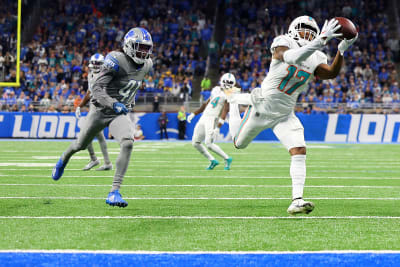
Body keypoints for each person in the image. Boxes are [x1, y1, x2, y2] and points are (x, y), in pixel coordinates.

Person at [226, 17, 357, 214]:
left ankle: (297, 200)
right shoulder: (283, 42)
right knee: (238, 143)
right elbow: (292, 58)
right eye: (304, 29)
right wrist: (320, 39)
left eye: (312, 30)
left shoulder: (317, 55)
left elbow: (330, 73)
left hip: (285, 114)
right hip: (262, 108)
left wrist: (342, 50)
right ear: (293, 30)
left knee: (299, 150)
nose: (308, 33)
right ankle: (235, 101)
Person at [52, 27, 154, 208]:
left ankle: (114, 192)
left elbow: (132, 85)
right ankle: (63, 160)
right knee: (80, 145)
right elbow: (96, 90)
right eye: (140, 47)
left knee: (128, 142)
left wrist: (127, 101)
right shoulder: (116, 59)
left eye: (147, 48)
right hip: (99, 111)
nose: (144, 52)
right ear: (129, 45)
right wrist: (114, 103)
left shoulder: (147, 64)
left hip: (118, 114)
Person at [187, 73, 234, 170]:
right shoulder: (216, 89)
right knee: (195, 142)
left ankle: (227, 158)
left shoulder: (228, 95)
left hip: (212, 119)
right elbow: (206, 104)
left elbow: (225, 112)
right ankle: (212, 160)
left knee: (209, 143)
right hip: (204, 117)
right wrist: (194, 113)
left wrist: (218, 128)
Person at [75, 53, 113, 171]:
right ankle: (106, 162)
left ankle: (94, 159)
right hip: (94, 105)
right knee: (98, 134)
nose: (96, 66)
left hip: (101, 106)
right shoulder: (91, 74)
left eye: (98, 64)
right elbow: (89, 92)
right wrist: (80, 106)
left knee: (85, 133)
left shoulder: (106, 75)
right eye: (95, 63)